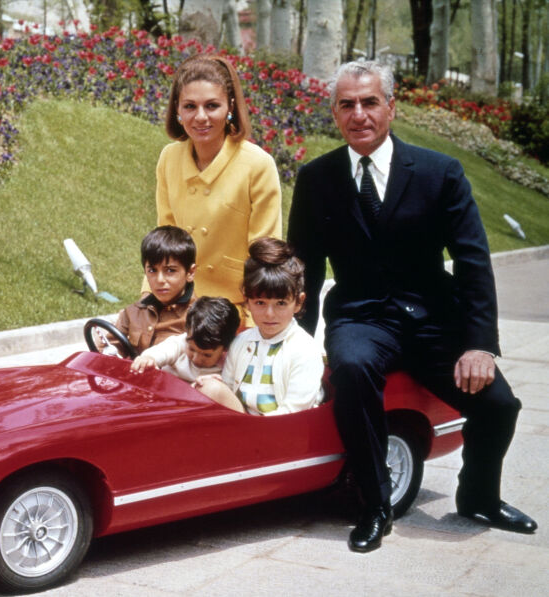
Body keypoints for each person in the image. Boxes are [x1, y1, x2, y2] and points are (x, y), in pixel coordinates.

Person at [287, 60, 537, 553]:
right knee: (353, 371)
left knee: (500, 406)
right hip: (360, 317)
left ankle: (479, 497)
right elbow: (305, 272)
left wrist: (479, 344)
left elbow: (472, 262)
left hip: (432, 318)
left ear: (391, 107)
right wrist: (295, 348)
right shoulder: (316, 179)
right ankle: (374, 504)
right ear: (334, 113)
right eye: (347, 105)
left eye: (370, 102)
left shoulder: (440, 172)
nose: (359, 114)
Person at [154, 53, 282, 315]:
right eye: (190, 106)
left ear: (230, 107)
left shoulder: (259, 165)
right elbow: (164, 244)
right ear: (177, 109)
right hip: (180, 305)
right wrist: (149, 297)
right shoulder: (169, 158)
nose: (200, 117)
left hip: (239, 310)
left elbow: (265, 260)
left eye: (212, 106)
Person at [194, 238, 324, 415]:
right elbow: (230, 391)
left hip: (287, 428)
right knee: (209, 386)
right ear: (247, 301)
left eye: (281, 303)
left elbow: (294, 410)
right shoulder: (241, 342)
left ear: (298, 303)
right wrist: (216, 388)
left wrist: (257, 431)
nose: (269, 314)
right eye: (260, 303)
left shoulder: (304, 349)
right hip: (246, 425)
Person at [109, 226, 197, 355]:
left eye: (170, 270)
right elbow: (109, 349)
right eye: (152, 271)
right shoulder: (133, 312)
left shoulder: (197, 319)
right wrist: (108, 348)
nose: (160, 280)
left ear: (190, 272)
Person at [130, 296, 241, 385]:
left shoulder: (229, 361)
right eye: (192, 349)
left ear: (225, 349)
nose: (196, 359)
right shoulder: (182, 343)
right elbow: (163, 351)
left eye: (207, 355)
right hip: (166, 390)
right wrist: (149, 358)